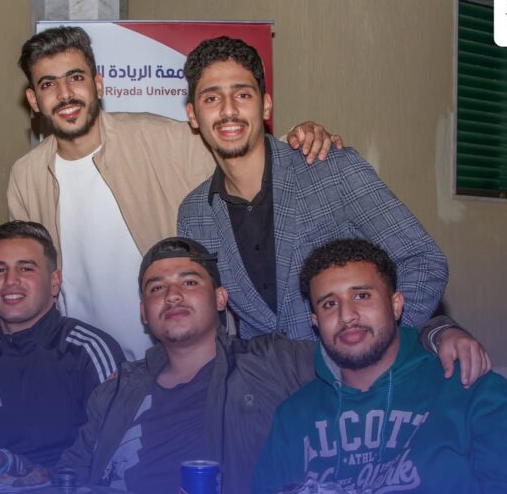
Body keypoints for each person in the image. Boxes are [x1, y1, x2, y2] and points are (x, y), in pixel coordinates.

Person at [0, 26, 341, 361]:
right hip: (84, 366)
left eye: (76, 78)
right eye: (49, 84)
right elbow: (28, 276)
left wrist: (299, 140)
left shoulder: (158, 138)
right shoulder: (26, 176)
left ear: (97, 84)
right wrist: (7, 333)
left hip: (179, 362)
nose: (65, 94)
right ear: (33, 100)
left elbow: (242, 151)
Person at [56, 237, 487, 494]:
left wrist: (438, 331)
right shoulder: (116, 390)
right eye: (157, 288)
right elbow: (67, 480)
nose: (172, 296)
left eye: (189, 282)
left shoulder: (270, 362)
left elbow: (360, 338)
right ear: (144, 312)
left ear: (221, 299)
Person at [253, 239, 507, 494]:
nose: (347, 315)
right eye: (330, 303)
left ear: (396, 305)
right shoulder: (293, 416)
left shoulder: (466, 386)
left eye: (362, 296)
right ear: (315, 322)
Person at [177, 37, 452, 356]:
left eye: (242, 94)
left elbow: (424, 260)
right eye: (211, 98)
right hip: (265, 381)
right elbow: (210, 318)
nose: (228, 110)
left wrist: (376, 350)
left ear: (265, 105)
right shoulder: (193, 214)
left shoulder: (330, 168)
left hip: (356, 376)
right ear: (193, 115)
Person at [0, 221, 124, 476]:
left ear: (54, 282)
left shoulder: (87, 351)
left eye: (26, 268)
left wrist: (18, 467)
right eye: (0, 270)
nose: (10, 280)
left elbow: (113, 461)